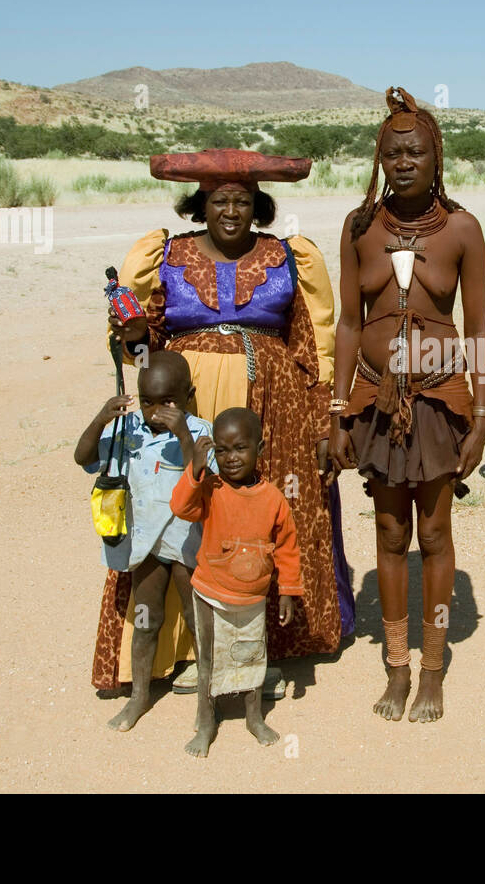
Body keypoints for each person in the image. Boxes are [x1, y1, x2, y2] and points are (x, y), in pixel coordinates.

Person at [91, 148, 354, 701]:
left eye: (241, 201)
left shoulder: (290, 256)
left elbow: (314, 340)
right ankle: (180, 652)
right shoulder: (165, 254)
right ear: (200, 205)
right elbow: (142, 344)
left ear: (258, 206)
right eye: (219, 201)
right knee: (178, 517)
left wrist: (322, 414)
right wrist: (130, 345)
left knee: (258, 518)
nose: (231, 211)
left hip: (272, 409)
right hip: (186, 404)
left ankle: (258, 651)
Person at [329, 88, 485, 723]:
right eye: (393, 152)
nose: (403, 162)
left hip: (440, 402)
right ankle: (395, 667)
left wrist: (481, 416)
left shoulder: (461, 230)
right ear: (379, 158)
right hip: (374, 398)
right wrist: (338, 411)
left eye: (416, 152)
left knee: (434, 532)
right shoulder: (358, 228)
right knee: (390, 531)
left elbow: (479, 328)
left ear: (436, 158)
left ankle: (433, 671)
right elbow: (348, 324)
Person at [75, 351, 213, 731]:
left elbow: (202, 480)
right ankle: (138, 697)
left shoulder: (200, 432)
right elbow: (82, 457)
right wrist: (102, 417)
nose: (155, 411)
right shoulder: (126, 430)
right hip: (146, 546)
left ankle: (206, 703)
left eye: (168, 402)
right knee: (146, 619)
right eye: (147, 401)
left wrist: (183, 433)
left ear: (189, 395)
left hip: (188, 544)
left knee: (197, 621)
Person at [172, 407, 300, 754]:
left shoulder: (273, 498)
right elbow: (180, 508)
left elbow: (287, 548)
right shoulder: (211, 488)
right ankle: (206, 719)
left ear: (260, 447)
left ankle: (254, 716)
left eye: (240, 448)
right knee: (209, 661)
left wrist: (288, 591)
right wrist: (196, 469)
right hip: (211, 593)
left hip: (253, 598)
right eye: (222, 450)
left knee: (252, 656)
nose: (230, 459)